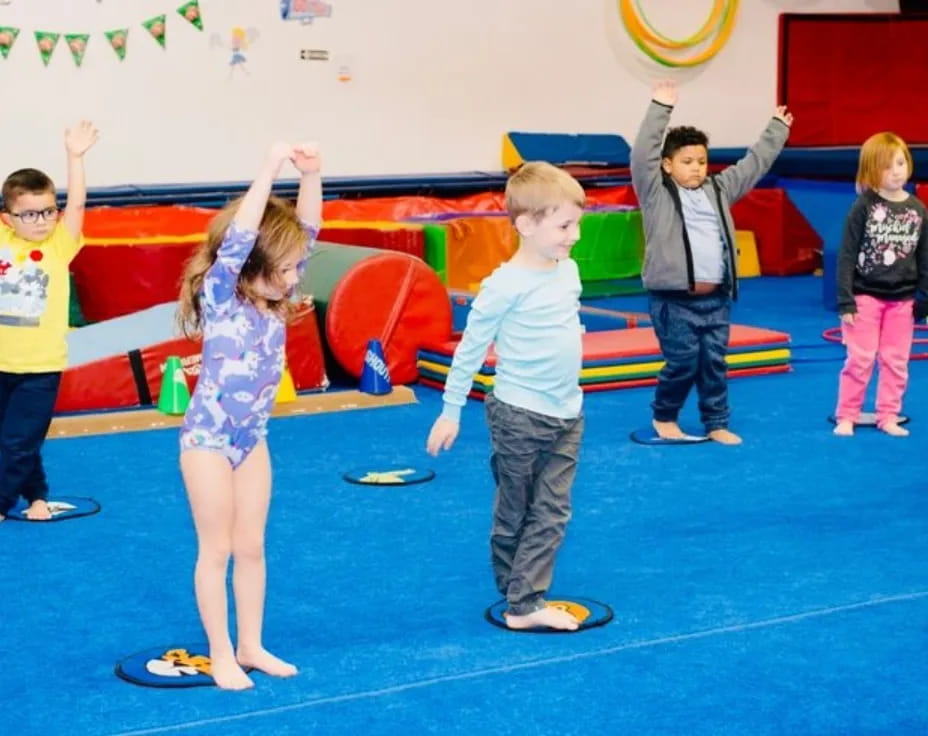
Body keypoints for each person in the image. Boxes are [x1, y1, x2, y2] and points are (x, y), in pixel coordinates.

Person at [175, 141, 321, 689]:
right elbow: (240, 235)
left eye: (295, 267)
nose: (294, 278)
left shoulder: (272, 299)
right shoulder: (222, 295)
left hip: (252, 437)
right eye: (283, 269)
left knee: (251, 546)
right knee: (216, 549)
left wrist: (312, 176)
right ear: (250, 267)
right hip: (208, 441)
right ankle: (221, 653)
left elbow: (306, 230)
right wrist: (270, 167)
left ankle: (251, 644)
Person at [426, 161, 585, 631]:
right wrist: (450, 411)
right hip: (519, 415)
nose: (575, 235)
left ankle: (525, 599)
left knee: (552, 510)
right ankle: (515, 588)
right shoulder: (503, 285)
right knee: (516, 507)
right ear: (526, 225)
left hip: (568, 412)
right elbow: (471, 348)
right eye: (564, 226)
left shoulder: (569, 271)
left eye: (576, 224)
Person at [630, 79, 792, 445]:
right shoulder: (656, 193)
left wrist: (777, 130)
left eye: (701, 162)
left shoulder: (718, 190)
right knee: (683, 362)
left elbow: (753, 165)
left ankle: (716, 421)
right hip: (674, 301)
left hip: (716, 299)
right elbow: (642, 154)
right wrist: (660, 108)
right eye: (686, 162)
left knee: (714, 364)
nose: (696, 168)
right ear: (667, 165)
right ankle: (665, 416)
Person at [0, 121, 99, 522]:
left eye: (47, 211)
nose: (41, 220)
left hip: (40, 368)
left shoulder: (59, 245)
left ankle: (2, 502)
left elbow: (76, 207)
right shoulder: (3, 241)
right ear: (8, 218)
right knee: (15, 439)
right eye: (29, 214)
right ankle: (37, 495)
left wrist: (75, 158)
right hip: (1, 363)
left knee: (18, 440)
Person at [833, 132, 928, 437]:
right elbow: (847, 255)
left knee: (896, 360)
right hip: (865, 297)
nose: (896, 172)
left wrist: (924, 297)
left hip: (903, 300)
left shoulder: (917, 210)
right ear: (871, 171)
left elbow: (924, 256)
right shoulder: (863, 207)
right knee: (860, 358)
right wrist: (845, 300)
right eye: (887, 167)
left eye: (900, 163)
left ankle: (888, 414)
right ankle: (847, 414)